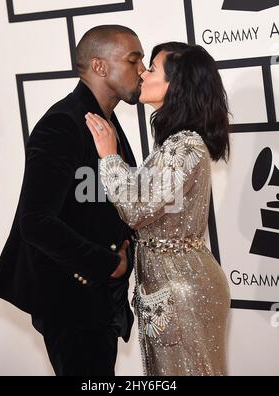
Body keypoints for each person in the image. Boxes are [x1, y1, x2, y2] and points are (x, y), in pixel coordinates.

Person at [0, 25, 145, 376]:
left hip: (97, 300)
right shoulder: (62, 123)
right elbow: (36, 222)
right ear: (99, 66)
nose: (142, 70)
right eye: (133, 60)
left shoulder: (106, 122)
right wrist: (109, 264)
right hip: (69, 299)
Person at [85, 42, 231, 376]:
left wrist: (109, 158)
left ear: (176, 85)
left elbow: (137, 210)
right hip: (165, 286)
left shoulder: (186, 144)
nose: (142, 73)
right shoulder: (172, 142)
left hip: (182, 290)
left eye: (151, 68)